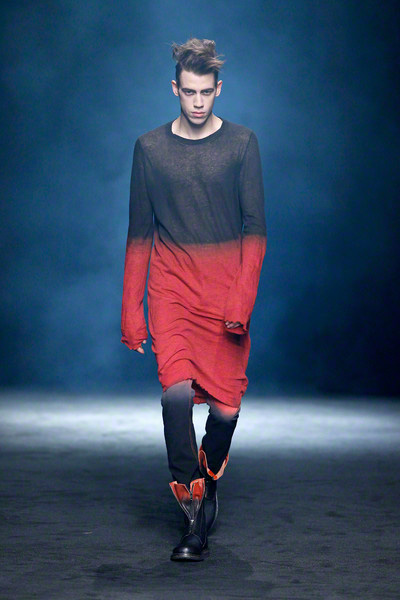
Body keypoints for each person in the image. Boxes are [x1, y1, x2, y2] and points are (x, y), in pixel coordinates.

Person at [121, 38, 267, 561]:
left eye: (206, 92)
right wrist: (131, 311)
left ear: (218, 90)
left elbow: (255, 230)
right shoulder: (150, 148)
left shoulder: (242, 144)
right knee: (175, 397)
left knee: (225, 410)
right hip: (172, 289)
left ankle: (208, 476)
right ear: (175, 89)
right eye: (189, 92)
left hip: (224, 291)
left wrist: (241, 301)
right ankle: (193, 515)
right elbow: (139, 234)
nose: (198, 102)